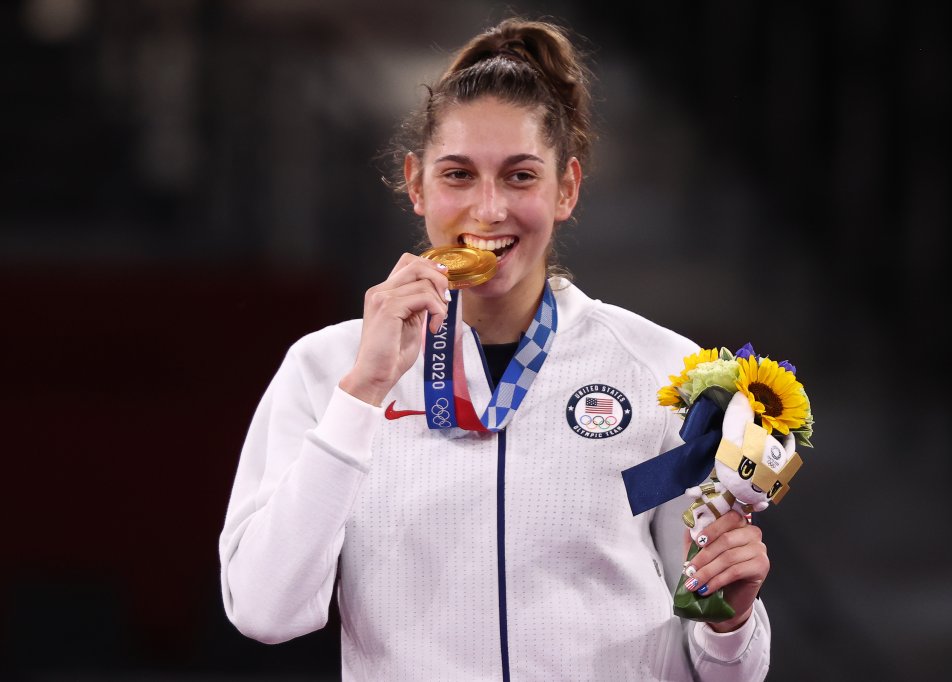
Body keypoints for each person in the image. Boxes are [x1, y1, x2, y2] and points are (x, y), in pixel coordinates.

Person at [219, 17, 771, 681]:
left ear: (565, 188)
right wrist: (363, 392)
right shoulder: (326, 370)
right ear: (416, 183)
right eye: (457, 175)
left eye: (519, 177)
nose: (487, 210)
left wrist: (729, 623)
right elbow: (263, 610)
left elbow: (718, 667)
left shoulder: (665, 373)